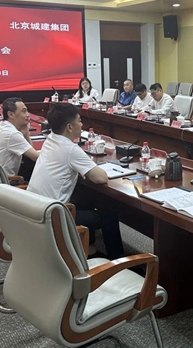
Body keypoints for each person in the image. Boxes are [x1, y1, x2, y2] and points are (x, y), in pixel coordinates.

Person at [26, 103, 124, 259]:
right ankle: (118, 261)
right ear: (70, 127)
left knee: (86, 199)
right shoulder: (70, 149)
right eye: (79, 121)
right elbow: (101, 178)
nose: (82, 124)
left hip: (34, 206)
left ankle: (89, 249)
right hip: (53, 214)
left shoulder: (51, 139)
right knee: (109, 215)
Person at [0, 97, 39, 178]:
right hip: (5, 182)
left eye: (27, 111)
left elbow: (30, 152)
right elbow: (36, 157)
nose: (28, 115)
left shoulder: (2, 126)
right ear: (11, 114)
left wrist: (26, 134)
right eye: (23, 111)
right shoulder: (12, 134)